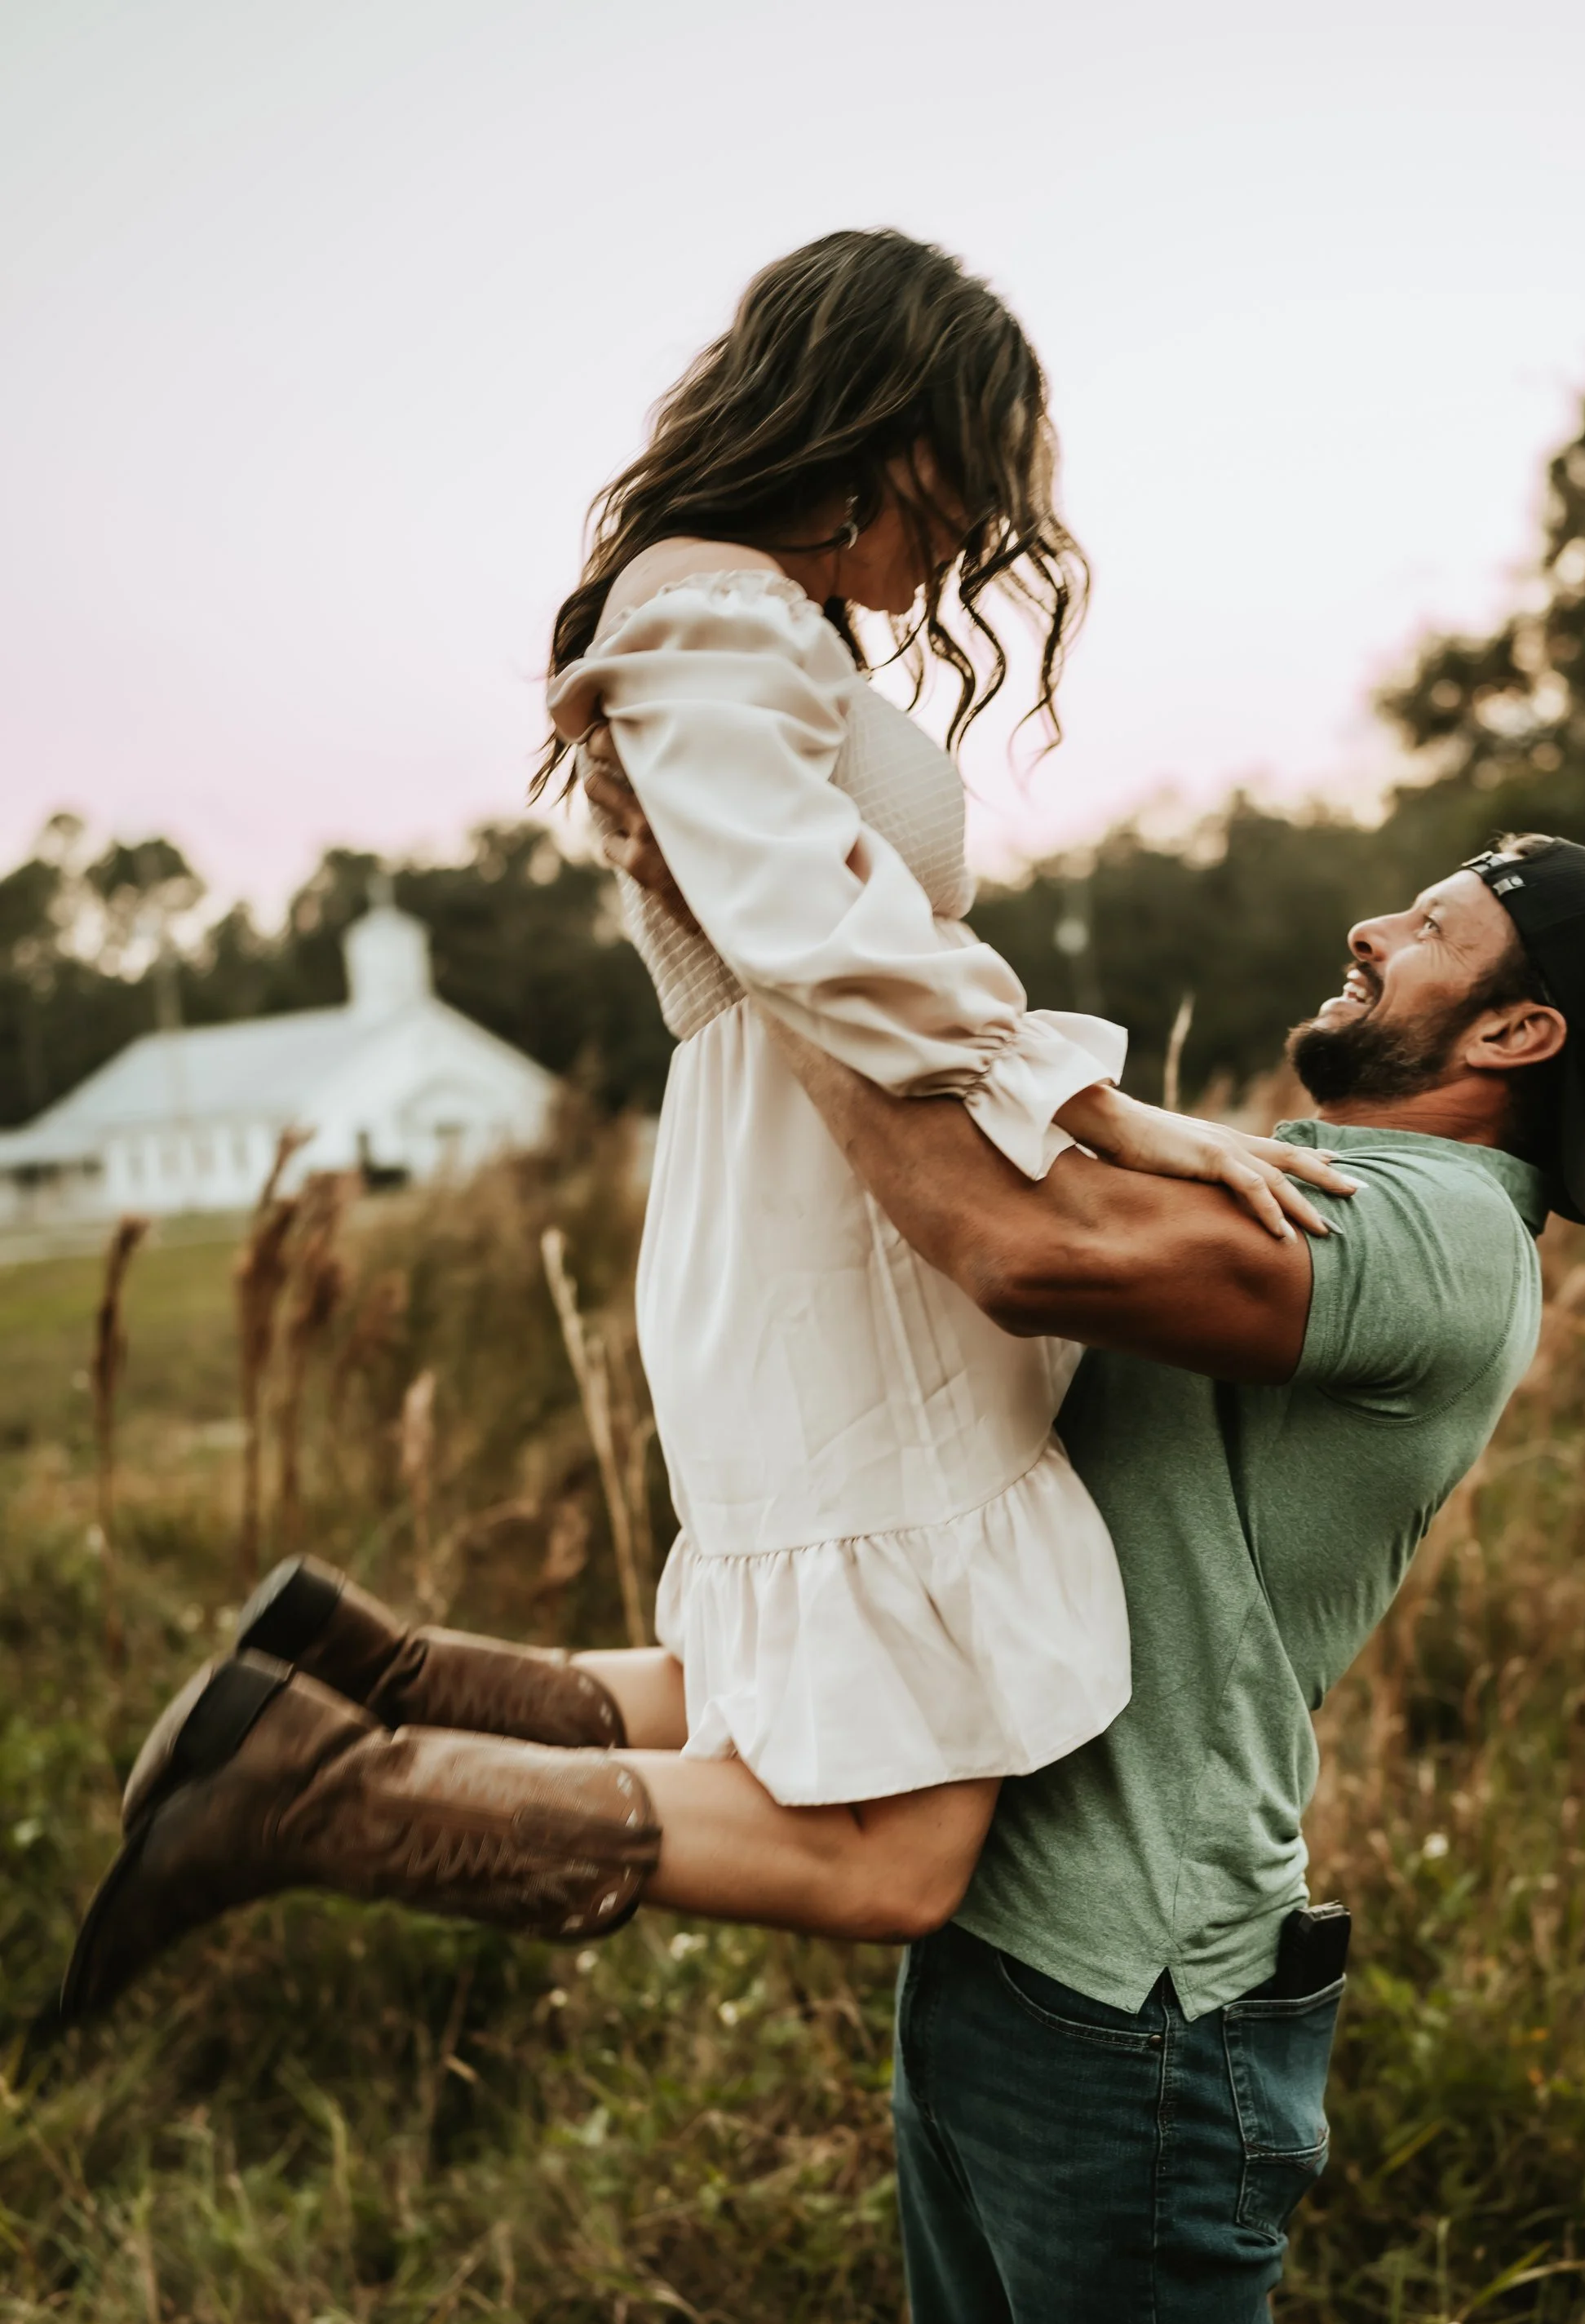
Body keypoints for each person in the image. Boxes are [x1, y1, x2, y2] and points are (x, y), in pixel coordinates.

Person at [592, 814, 1585, 2324]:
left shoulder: (1430, 1239)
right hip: (995, 1937)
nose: (1368, 921)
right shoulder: (1304, 1164)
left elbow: (1012, 1244)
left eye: (1429, 924)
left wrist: (801, 962)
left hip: (1143, 2013)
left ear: (1512, 1033)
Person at [55, 228, 1343, 2025]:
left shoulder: (755, 622)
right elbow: (807, 925)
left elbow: (798, 922)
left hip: (827, 1198)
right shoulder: (708, 612)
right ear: (882, 426)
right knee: (891, 1848)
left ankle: (361, 1685)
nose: (977, 532)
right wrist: (1106, 1112)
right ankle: (322, 1792)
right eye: (968, 472)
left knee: (802, 1694)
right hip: (828, 1232)